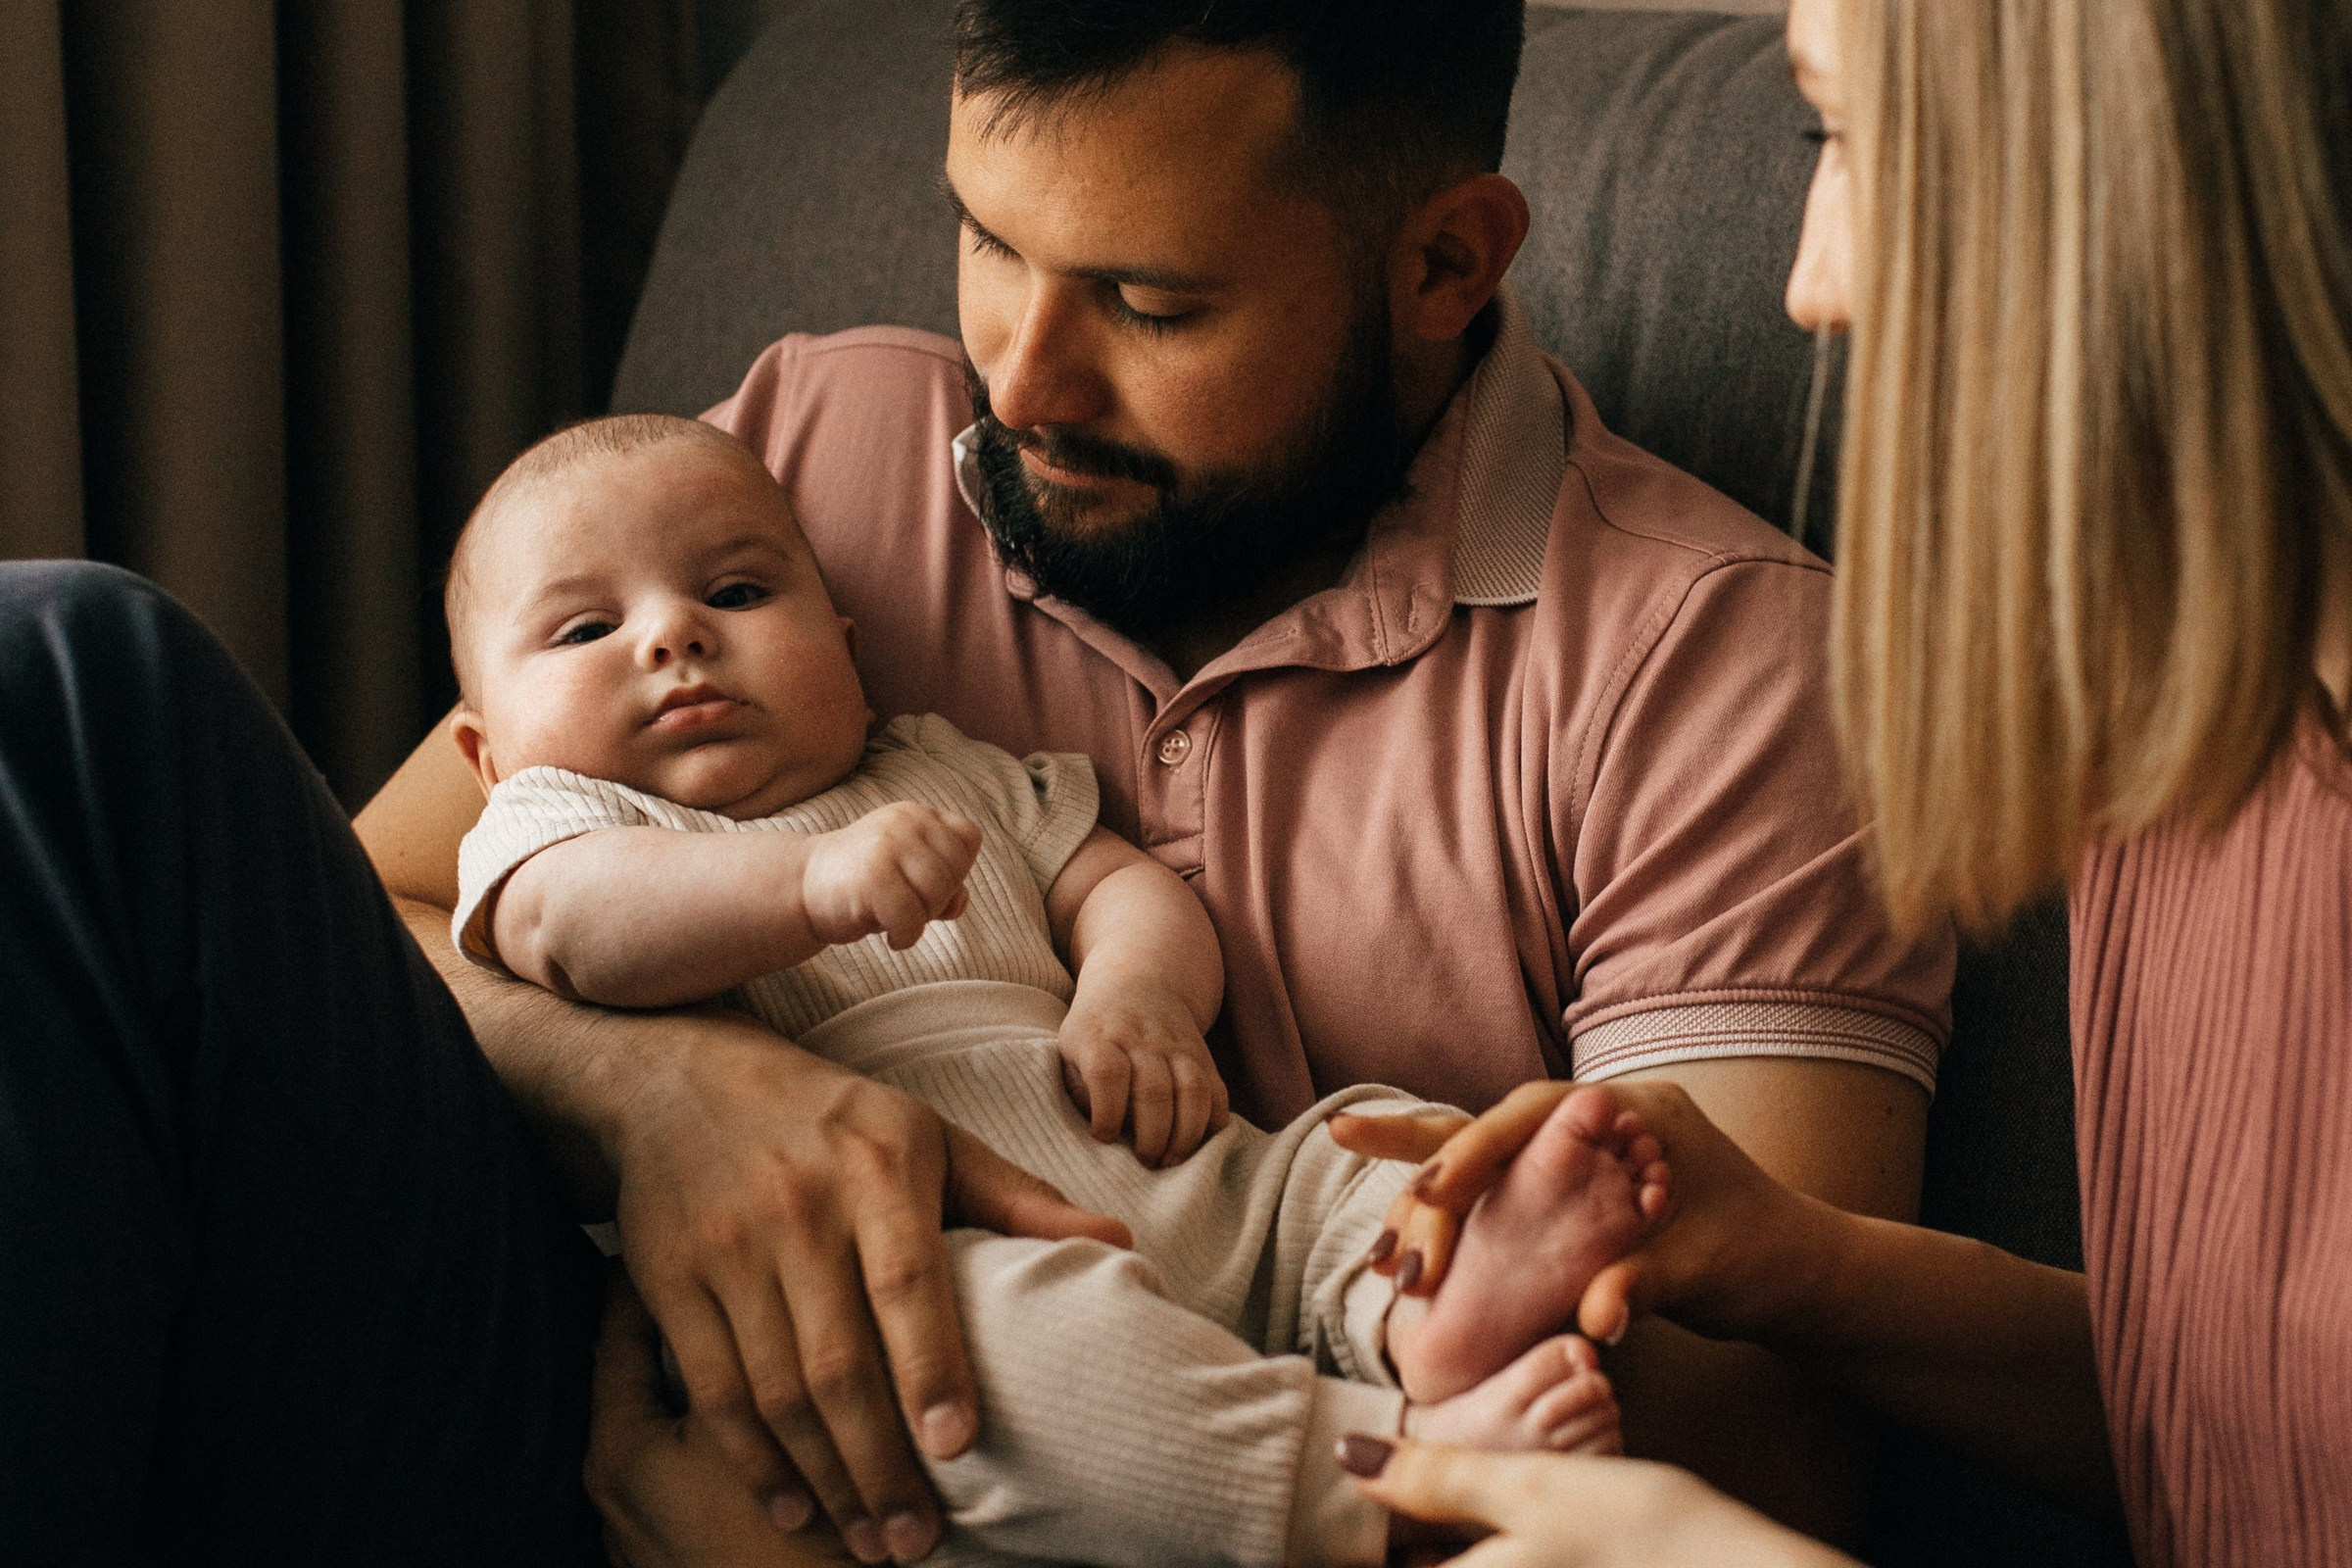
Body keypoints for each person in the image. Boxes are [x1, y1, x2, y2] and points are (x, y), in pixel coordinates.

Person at [356, 0, 1955, 1559]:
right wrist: (665, 1096)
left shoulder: (1719, 673)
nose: (1020, 382)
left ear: (1445, 263)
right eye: (988, 241)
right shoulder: (798, 467)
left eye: (1148, 302)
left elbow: (1726, 1493)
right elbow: (374, 914)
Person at [1332, 0, 2352, 1563]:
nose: (1814, 286)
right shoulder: (2203, 750)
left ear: (2139, 191)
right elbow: (2255, 1431)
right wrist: (1799, 1264)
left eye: (1856, 144)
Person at [442, 410, 1651, 1565]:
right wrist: (807, 882)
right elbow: (584, 930)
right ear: (483, 751)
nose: (675, 635)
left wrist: (1135, 993)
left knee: (1352, 1149)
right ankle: (1373, 1475)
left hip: (1180, 1168)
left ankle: (1420, 1306)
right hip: (907, 1266)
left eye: (740, 593)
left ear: (849, 648)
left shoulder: (933, 764)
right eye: (583, 630)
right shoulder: (561, 822)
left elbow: (1117, 885)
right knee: (1004, 1354)